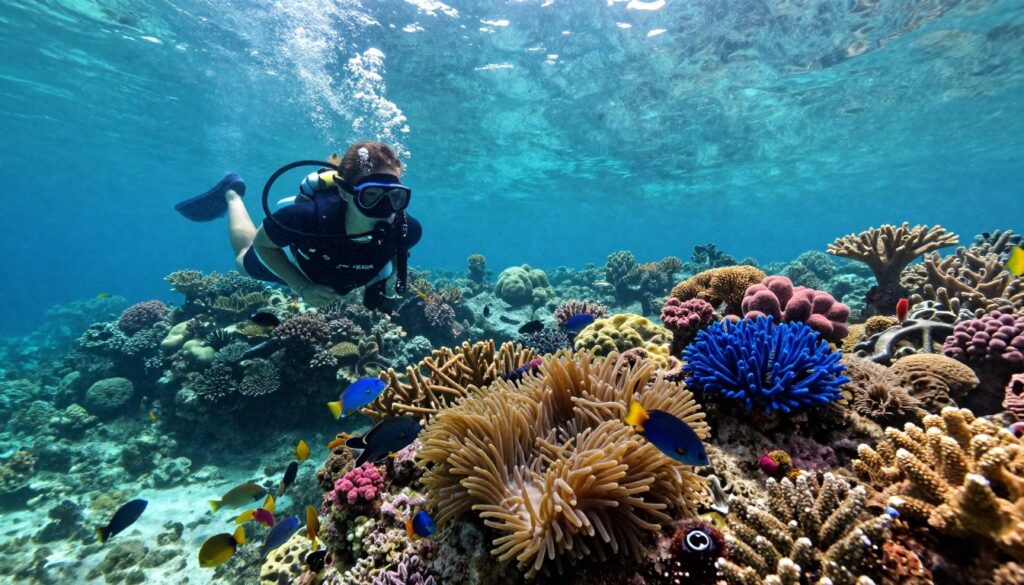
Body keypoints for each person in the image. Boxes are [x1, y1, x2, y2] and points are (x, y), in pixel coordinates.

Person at [175, 142, 421, 311]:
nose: (386, 209)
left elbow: (396, 254)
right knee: (242, 261)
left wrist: (380, 288)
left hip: (338, 272)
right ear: (345, 194)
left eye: (395, 197)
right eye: (371, 196)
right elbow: (263, 244)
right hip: (298, 265)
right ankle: (231, 194)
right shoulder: (304, 218)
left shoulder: (408, 229)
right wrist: (301, 286)